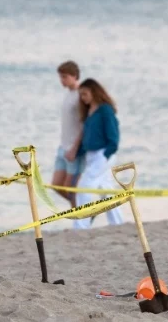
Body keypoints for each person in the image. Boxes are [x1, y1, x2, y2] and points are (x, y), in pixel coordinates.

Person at [73, 78, 124, 230]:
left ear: (94, 92)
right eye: (81, 95)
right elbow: (89, 136)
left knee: (84, 187)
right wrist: (78, 152)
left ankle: (81, 225)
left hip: (103, 154)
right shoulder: (90, 112)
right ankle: (118, 223)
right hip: (91, 155)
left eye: (85, 94)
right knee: (106, 190)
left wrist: (107, 153)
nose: (83, 98)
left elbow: (113, 135)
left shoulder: (105, 110)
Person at [53, 61, 83, 206]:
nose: (62, 80)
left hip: (73, 149)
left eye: (64, 77)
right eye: (60, 77)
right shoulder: (68, 94)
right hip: (63, 147)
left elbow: (84, 125)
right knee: (56, 185)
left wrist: (75, 149)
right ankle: (83, 211)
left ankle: (80, 220)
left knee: (71, 188)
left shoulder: (80, 95)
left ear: (74, 76)